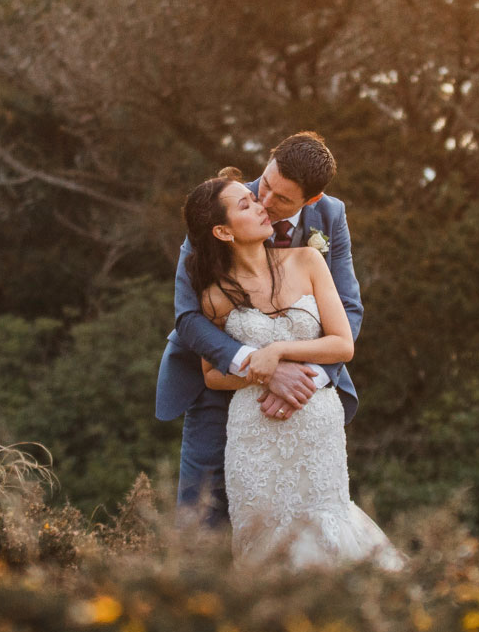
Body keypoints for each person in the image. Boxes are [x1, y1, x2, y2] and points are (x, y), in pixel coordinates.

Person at [175, 167, 397, 567]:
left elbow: (344, 331)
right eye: (248, 200)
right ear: (223, 232)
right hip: (253, 429)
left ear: (307, 200)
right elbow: (203, 356)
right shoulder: (215, 294)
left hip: (315, 423)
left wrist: (281, 355)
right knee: (241, 536)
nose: (261, 203)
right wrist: (263, 372)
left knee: (329, 533)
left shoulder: (310, 254)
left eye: (274, 198)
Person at [154, 132, 363, 528]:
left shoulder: (330, 217)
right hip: (220, 373)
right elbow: (188, 317)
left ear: (311, 200)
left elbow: (348, 308)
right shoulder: (222, 206)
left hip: (308, 392)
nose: (265, 203)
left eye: (282, 199)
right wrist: (258, 364)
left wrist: (307, 376)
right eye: (264, 184)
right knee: (204, 513)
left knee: (309, 520)